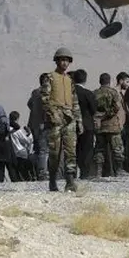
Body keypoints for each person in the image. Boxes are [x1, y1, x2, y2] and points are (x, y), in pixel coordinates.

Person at [41, 46, 81, 192]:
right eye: (62, 60)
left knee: (71, 150)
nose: (64, 63)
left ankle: (70, 180)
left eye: (66, 60)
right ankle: (52, 180)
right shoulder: (50, 77)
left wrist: (78, 120)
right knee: (55, 152)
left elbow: (75, 101)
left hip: (69, 118)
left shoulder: (70, 80)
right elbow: (45, 98)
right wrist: (52, 114)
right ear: (57, 61)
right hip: (55, 118)